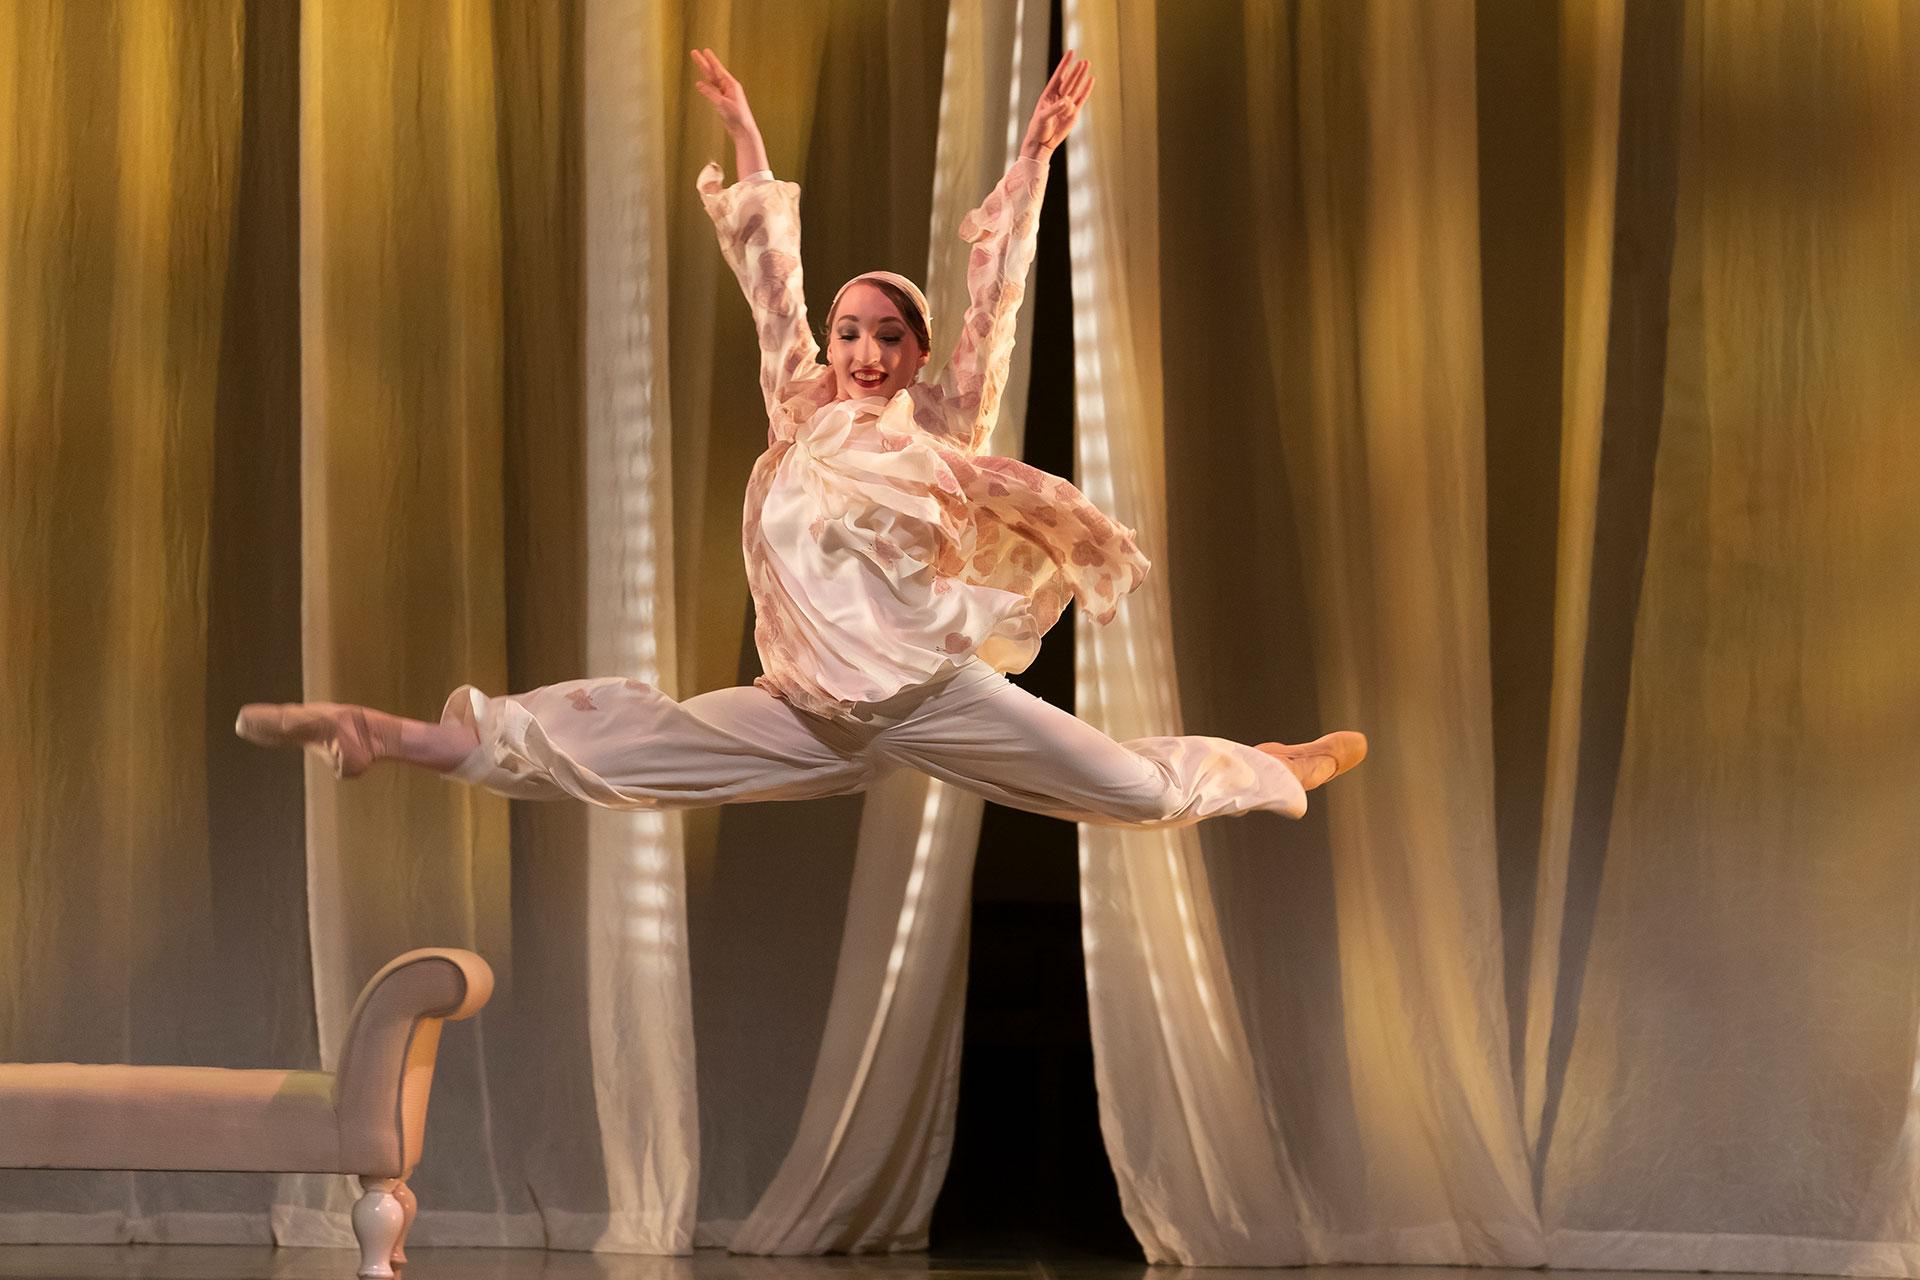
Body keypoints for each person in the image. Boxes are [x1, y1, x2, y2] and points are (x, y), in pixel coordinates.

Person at [236, 49, 1365, 828]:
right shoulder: (801, 407)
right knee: (621, 751)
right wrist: (744, 131)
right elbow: (770, 282)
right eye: (850, 331)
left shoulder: (937, 421)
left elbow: (995, 296)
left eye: (888, 336)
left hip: (929, 695)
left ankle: (1271, 770)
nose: (865, 352)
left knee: (1129, 792)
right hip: (803, 712)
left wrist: (1032, 159)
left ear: (917, 354)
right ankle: (388, 733)